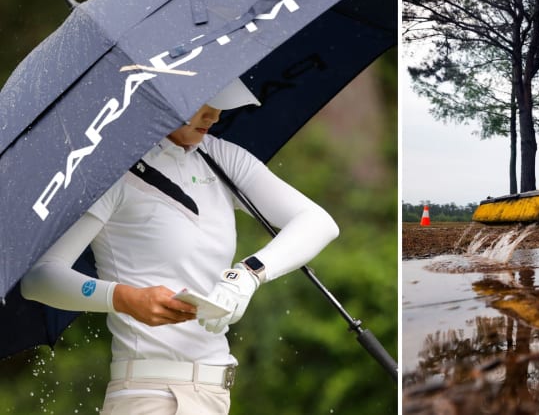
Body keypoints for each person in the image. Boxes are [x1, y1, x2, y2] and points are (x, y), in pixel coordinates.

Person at [20, 78, 339, 414]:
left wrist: (246, 276)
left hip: (214, 393)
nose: (214, 115)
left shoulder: (220, 158)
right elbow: (40, 278)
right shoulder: (112, 170)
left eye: (218, 104)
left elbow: (318, 223)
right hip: (150, 394)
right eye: (203, 102)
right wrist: (125, 298)